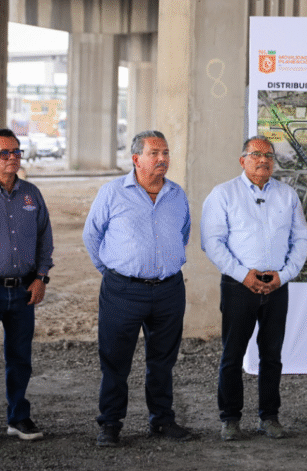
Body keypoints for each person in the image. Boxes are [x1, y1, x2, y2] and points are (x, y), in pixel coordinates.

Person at [83, 130, 191, 447]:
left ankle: (162, 420)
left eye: (165, 152)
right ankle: (110, 424)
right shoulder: (112, 193)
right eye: (154, 153)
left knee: (163, 361)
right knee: (115, 361)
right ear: (136, 159)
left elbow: (182, 234)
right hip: (123, 291)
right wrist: (114, 272)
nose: (162, 158)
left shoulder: (177, 194)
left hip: (169, 290)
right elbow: (92, 236)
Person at [201, 136, 307, 441]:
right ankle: (230, 419)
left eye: (269, 156)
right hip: (239, 286)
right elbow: (212, 242)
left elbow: (301, 240)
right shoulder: (223, 194)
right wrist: (243, 275)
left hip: (276, 286)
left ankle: (269, 417)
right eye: (256, 155)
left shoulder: (287, 195)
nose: (263, 160)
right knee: (232, 355)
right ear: (242, 160)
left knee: (272, 355)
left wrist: (284, 276)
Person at [0, 129, 53, 445]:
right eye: (5, 153)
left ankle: (18, 418)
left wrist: (41, 277)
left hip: (23, 292)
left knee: (20, 358)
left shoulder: (31, 194)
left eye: (17, 152)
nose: (13, 158)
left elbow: (45, 238)